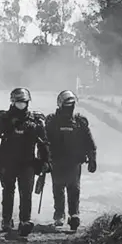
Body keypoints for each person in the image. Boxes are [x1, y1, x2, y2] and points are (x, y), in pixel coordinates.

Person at [0, 87, 51, 236]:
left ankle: (24, 221)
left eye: (24, 102)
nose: (22, 104)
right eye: (19, 101)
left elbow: (44, 143)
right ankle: (6, 220)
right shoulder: (4, 120)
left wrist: (46, 161)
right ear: (13, 102)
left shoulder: (35, 121)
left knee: (26, 193)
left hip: (27, 163)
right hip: (7, 162)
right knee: (8, 191)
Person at [45, 90, 97, 231]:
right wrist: (43, 159)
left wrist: (92, 158)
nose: (70, 108)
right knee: (58, 187)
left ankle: (74, 214)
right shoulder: (51, 121)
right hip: (57, 161)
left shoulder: (79, 122)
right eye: (68, 105)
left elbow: (89, 142)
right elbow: (44, 141)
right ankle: (59, 215)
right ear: (61, 105)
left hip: (74, 162)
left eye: (72, 105)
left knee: (73, 188)